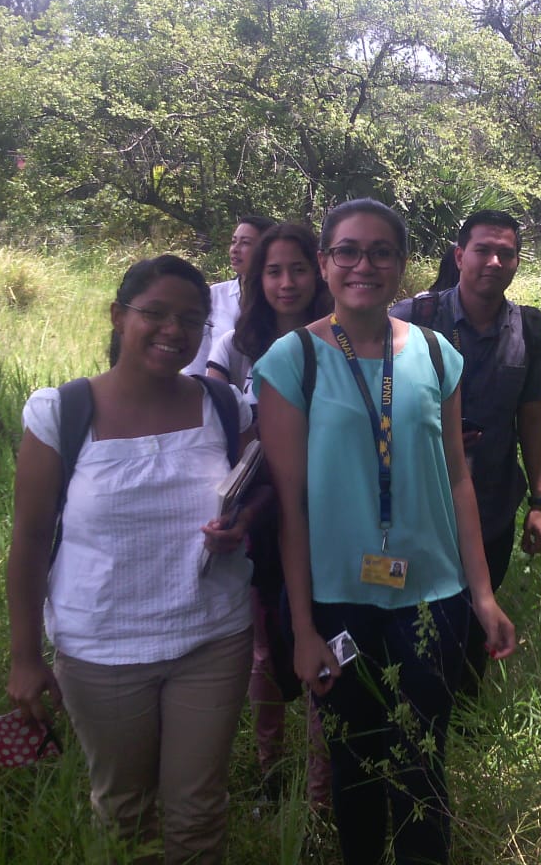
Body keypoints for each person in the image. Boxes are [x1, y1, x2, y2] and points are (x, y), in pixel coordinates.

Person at [253, 198, 516, 865]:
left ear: (401, 265)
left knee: (424, 761)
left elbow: (458, 478)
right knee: (355, 764)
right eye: (347, 250)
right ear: (325, 263)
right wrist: (304, 628)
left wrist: (483, 595)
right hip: (338, 600)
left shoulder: (435, 353)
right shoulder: (294, 361)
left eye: (380, 252)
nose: (363, 264)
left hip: (433, 596)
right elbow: (291, 505)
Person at [7, 255, 258, 865]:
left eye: (192, 320)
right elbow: (32, 539)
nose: (173, 330)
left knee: (199, 810)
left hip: (212, 637)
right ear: (118, 316)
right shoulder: (60, 413)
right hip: (101, 649)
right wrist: (23, 657)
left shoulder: (224, 406)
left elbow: (262, 492)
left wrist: (243, 522)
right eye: (155, 313)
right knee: (124, 812)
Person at [390, 209, 541, 697]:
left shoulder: (527, 327)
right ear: (460, 255)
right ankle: (411, 708)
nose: (494, 260)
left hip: (492, 504)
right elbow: (368, 409)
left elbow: (532, 415)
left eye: (506, 252)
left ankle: (461, 719)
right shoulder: (413, 318)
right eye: (483, 249)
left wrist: (540, 502)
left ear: (517, 262)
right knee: (414, 616)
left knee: (475, 616)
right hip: (415, 506)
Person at [205, 221, 332, 802]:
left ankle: (321, 786)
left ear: (319, 271)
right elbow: (218, 419)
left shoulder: (340, 340)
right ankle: (269, 770)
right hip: (259, 516)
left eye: (298, 269)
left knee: (325, 640)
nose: (287, 282)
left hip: (330, 516)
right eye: (273, 271)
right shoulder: (237, 345)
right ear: (257, 278)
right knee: (265, 649)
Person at [183, 214, 277, 375]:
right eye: (234, 242)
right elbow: (197, 358)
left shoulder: (279, 299)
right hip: (213, 392)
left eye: (245, 243)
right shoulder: (215, 295)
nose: (235, 249)